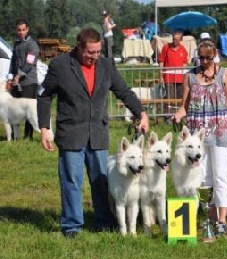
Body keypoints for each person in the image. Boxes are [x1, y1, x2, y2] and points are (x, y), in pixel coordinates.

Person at [37, 28, 149, 238]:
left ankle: (104, 222)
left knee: (101, 181)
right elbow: (44, 96)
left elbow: (123, 91)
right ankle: (72, 226)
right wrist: (44, 128)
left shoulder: (106, 65)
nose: (94, 57)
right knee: (71, 181)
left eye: (98, 52)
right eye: (90, 53)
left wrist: (141, 112)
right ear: (78, 46)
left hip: (98, 133)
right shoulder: (60, 65)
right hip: (71, 133)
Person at [172, 39, 227, 236]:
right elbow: (185, 104)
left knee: (221, 175)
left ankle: (222, 220)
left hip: (220, 132)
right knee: (202, 176)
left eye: (208, 57)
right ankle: (209, 218)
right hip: (196, 136)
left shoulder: (225, 75)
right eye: (201, 57)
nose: (205, 61)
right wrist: (178, 114)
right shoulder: (190, 76)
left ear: (215, 54)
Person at [8, 18, 40, 140]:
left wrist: (18, 75)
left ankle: (28, 137)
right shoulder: (17, 43)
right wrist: (10, 75)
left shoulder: (33, 45)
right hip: (16, 82)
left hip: (29, 82)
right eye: (18, 30)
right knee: (13, 109)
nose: (21, 32)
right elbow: (13, 60)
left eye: (23, 30)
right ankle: (14, 136)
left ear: (27, 30)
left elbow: (29, 63)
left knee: (29, 111)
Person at [158, 31, 188, 118]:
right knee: (169, 97)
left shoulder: (183, 50)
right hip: (168, 78)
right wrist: (161, 76)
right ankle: (168, 116)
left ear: (180, 40)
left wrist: (185, 78)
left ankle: (178, 116)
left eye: (176, 40)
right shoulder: (166, 47)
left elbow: (184, 64)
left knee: (180, 98)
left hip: (180, 78)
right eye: (173, 39)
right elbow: (161, 62)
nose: (174, 41)